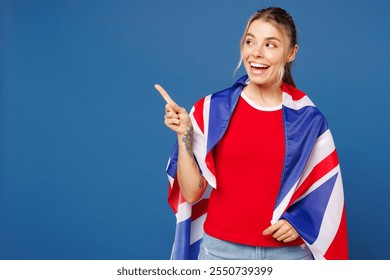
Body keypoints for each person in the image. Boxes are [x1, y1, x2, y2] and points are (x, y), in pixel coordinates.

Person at [155, 7, 348, 260]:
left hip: (288, 257)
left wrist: (299, 223)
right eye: (250, 41)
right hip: (219, 253)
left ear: (291, 53)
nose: (256, 53)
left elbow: (326, 193)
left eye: (271, 44)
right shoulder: (210, 110)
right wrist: (184, 135)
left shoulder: (307, 118)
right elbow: (191, 193)